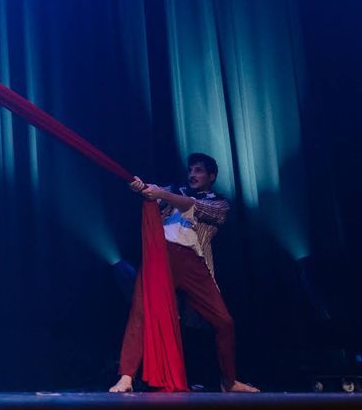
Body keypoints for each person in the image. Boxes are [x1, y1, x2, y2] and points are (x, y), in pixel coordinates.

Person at [109, 152, 260, 394]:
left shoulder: (220, 204)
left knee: (224, 321)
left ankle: (229, 380)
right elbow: (152, 191)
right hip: (161, 257)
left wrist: (162, 194)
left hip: (193, 262)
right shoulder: (174, 191)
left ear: (211, 176)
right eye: (190, 170)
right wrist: (138, 185)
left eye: (198, 170)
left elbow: (191, 206)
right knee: (141, 311)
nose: (192, 174)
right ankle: (126, 376)